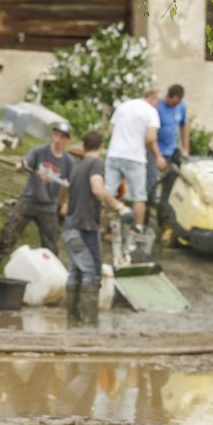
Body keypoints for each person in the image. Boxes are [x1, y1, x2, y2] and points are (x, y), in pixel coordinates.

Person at [63, 130, 134, 326]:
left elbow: (65, 205)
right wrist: (119, 207)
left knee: (75, 272)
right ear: (101, 147)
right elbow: (97, 188)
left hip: (69, 228)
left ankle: (72, 320)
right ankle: (89, 323)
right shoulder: (96, 164)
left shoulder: (76, 168)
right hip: (85, 228)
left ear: (84, 146)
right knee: (91, 273)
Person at [0, 122, 75, 264]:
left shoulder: (68, 161)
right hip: (28, 201)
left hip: (48, 207)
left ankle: (48, 274)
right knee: (8, 234)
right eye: (56, 135)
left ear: (67, 140)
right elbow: (25, 162)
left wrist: (67, 202)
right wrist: (21, 166)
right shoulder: (39, 151)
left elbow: (73, 183)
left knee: (51, 247)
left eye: (62, 137)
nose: (57, 139)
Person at [105, 88, 168, 232]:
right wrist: (155, 154)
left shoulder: (123, 106)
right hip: (135, 157)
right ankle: (137, 229)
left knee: (109, 192)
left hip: (115, 154)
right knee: (139, 196)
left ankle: (107, 226)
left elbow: (111, 130)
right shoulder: (151, 111)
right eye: (157, 102)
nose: (157, 105)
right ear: (152, 98)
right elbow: (151, 138)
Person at [151, 84, 190, 207]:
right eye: (173, 103)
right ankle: (149, 209)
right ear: (168, 96)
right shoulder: (158, 106)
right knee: (152, 183)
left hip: (171, 151)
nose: (175, 106)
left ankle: (164, 211)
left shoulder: (182, 105)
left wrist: (185, 147)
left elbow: (184, 125)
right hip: (155, 151)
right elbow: (150, 133)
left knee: (171, 184)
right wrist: (158, 156)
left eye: (177, 103)